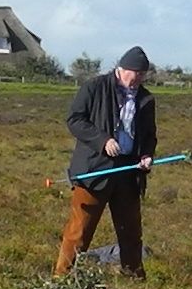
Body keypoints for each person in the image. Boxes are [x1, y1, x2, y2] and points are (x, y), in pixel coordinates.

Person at [57, 46, 160, 276]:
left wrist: (146, 154)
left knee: (131, 232)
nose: (138, 80)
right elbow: (75, 120)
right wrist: (102, 140)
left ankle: (133, 278)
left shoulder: (146, 99)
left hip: (128, 172)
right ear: (121, 69)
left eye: (143, 75)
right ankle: (62, 278)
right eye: (135, 74)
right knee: (79, 230)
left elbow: (149, 134)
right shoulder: (94, 88)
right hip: (95, 171)